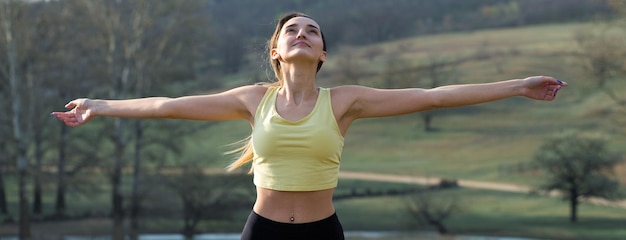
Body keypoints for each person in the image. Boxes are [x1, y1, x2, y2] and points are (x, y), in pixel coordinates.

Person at [52, 12, 567, 240]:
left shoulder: (345, 102)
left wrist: (518, 85)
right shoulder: (253, 99)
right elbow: (167, 105)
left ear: (322, 53)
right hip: (262, 233)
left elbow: (433, 96)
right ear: (276, 50)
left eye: (312, 31)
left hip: (324, 234)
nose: (302, 34)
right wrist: (101, 104)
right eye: (291, 30)